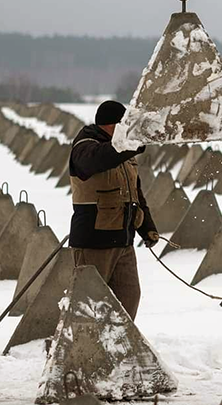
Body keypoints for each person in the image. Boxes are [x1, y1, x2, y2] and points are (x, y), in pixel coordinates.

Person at [68, 100, 160, 321]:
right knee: (89, 306)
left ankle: (117, 348)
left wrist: (147, 228)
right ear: (112, 125)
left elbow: (135, 193)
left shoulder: (121, 152)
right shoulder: (85, 147)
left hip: (123, 240)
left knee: (129, 298)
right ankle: (82, 350)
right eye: (123, 125)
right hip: (94, 242)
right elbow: (102, 158)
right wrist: (132, 144)